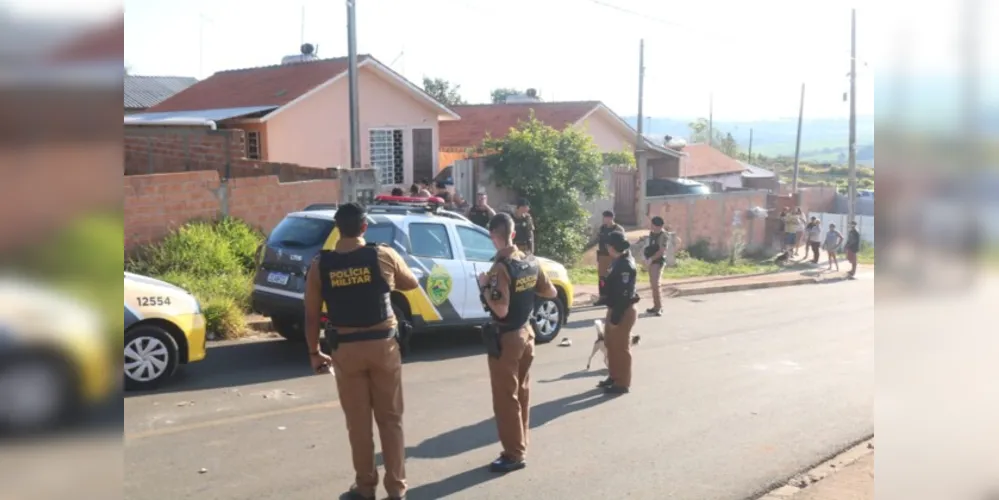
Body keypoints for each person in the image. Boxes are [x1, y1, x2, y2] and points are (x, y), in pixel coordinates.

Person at [304, 202, 420, 500]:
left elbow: (311, 313)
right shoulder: (382, 254)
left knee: (358, 424)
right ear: (364, 227)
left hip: (346, 351)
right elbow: (411, 283)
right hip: (384, 347)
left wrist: (314, 352)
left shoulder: (321, 264)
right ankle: (396, 489)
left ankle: (365, 487)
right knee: (391, 420)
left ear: (337, 230)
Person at [477, 213, 557, 473]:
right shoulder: (530, 261)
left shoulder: (501, 268)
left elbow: (500, 309)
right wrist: (527, 291)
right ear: (512, 233)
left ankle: (513, 454)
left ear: (494, 236)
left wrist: (485, 286)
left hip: (508, 337)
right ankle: (521, 445)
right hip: (527, 332)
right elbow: (551, 292)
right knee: (522, 392)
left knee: (506, 397)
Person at [599, 231, 639, 395]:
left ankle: (622, 383)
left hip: (623, 310)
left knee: (621, 348)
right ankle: (614, 376)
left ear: (612, 247)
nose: (607, 248)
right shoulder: (618, 260)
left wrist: (616, 317)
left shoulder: (625, 265)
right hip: (614, 307)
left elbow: (624, 294)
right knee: (610, 344)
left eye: (608, 245)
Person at [594, 210, 625, 307]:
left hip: (613, 256)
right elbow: (598, 239)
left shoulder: (618, 229)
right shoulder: (602, 228)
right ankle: (603, 297)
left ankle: (613, 297)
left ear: (611, 218)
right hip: (603, 255)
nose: (604, 219)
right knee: (602, 278)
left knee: (613, 277)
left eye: (606, 217)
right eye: (604, 217)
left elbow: (622, 244)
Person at [643, 216, 668, 317]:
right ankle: (655, 306)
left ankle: (659, 307)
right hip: (651, 260)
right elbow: (650, 246)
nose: (651, 226)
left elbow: (661, 251)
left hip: (658, 261)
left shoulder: (663, 236)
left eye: (653, 225)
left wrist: (651, 259)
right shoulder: (652, 233)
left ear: (658, 226)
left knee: (656, 285)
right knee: (653, 285)